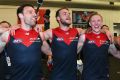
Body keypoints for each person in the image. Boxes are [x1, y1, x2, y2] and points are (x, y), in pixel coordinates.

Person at [0, 4, 52, 80]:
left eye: (34, 13)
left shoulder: (39, 34)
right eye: (30, 12)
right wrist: (6, 29)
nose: (34, 15)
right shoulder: (8, 34)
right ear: (20, 15)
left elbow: (49, 52)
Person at [78, 13, 120, 80]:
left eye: (98, 20)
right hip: (88, 75)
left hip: (104, 75)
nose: (96, 23)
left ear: (101, 23)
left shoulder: (108, 38)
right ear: (90, 24)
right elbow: (73, 52)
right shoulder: (84, 37)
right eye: (93, 21)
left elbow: (116, 53)